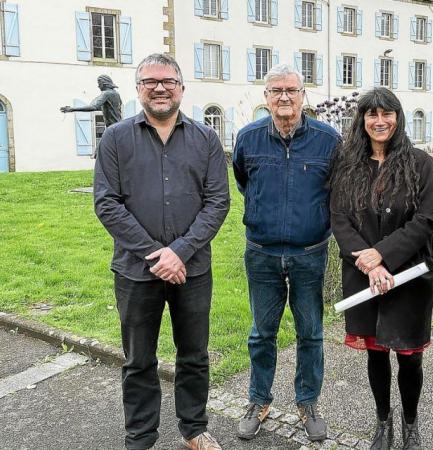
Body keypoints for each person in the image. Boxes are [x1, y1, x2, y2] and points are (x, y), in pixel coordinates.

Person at [93, 53, 230, 450]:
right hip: (136, 272)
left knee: (194, 355)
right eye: (150, 81)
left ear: (181, 88)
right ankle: (140, 436)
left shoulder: (205, 138)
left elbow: (218, 202)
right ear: (138, 89)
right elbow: (106, 203)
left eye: (168, 81)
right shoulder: (116, 138)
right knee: (138, 360)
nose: (159, 88)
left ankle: (193, 428)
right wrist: (157, 254)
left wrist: (180, 252)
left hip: (193, 271)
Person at [232, 64, 341, 442]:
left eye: (291, 90)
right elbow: (243, 181)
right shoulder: (248, 139)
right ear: (266, 97)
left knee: (310, 331)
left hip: (310, 253)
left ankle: (307, 402)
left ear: (303, 95)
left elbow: (336, 191)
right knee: (262, 333)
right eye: (276, 90)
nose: (283, 97)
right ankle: (258, 400)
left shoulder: (329, 141)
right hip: (261, 253)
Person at [330, 88, 433, 450]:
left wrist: (382, 255)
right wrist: (368, 260)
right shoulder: (348, 165)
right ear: (362, 120)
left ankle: (410, 424)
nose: (379, 121)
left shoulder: (420, 163)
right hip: (363, 274)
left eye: (386, 114)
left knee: (409, 358)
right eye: (371, 114)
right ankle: (382, 423)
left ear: (397, 117)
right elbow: (340, 220)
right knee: (376, 354)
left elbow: (424, 221)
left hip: (408, 276)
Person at [60, 75, 123, 157]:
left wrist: (72, 109)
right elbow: (110, 108)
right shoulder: (116, 94)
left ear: (104, 84)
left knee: (98, 154)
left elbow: (93, 107)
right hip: (118, 128)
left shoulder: (106, 94)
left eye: (99, 83)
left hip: (112, 130)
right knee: (107, 154)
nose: (98, 86)